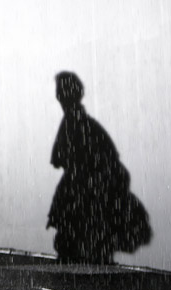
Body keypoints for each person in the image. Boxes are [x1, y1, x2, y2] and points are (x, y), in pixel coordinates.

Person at [46, 72, 152, 263]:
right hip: (90, 187)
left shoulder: (76, 123)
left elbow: (60, 159)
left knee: (82, 239)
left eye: (60, 92)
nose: (59, 97)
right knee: (85, 241)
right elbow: (60, 158)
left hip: (90, 188)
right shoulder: (79, 123)